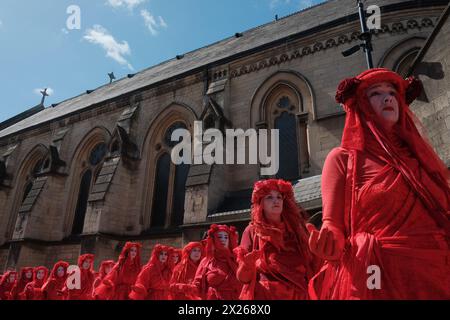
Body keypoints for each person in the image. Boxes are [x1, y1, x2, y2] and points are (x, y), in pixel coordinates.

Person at [307, 68, 450, 299]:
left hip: (435, 275)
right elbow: (332, 223)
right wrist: (330, 240)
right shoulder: (342, 158)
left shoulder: (417, 157)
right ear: (361, 104)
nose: (388, 97)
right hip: (378, 276)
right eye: (375, 93)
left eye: (392, 92)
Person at [235, 179, 318, 300]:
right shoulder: (252, 231)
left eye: (279, 197)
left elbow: (312, 265)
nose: (276, 200)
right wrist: (247, 266)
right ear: (261, 203)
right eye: (269, 197)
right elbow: (243, 278)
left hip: (299, 294)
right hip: (267, 296)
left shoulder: (297, 230)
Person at [192, 224, 242, 300]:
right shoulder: (206, 261)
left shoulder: (237, 260)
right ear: (213, 239)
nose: (223, 239)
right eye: (219, 237)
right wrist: (187, 288)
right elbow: (197, 284)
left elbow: (246, 282)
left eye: (226, 237)